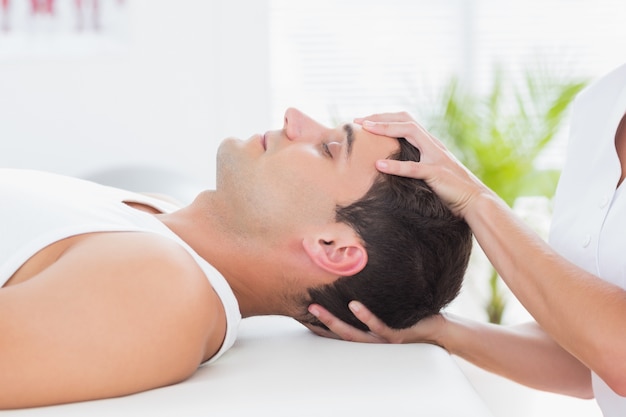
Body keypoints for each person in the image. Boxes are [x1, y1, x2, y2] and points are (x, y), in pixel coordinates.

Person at [0, 107, 472, 409]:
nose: (294, 118)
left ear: (333, 248)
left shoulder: (162, 291)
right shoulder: (160, 215)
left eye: (328, 148)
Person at [308, 63, 626, 416]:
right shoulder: (599, 105)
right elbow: (585, 364)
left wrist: (475, 200)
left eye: (330, 148)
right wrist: (442, 331)